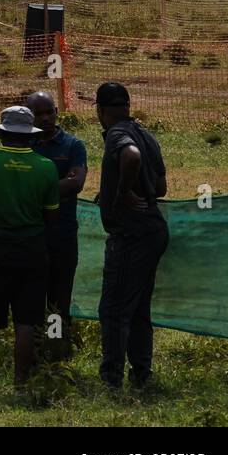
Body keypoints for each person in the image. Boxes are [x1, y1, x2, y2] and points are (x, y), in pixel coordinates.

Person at [0, 106, 58, 387]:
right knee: (26, 323)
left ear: (2, 133)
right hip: (32, 251)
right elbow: (51, 217)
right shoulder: (46, 167)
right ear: (30, 136)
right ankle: (20, 384)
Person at [94, 82, 169, 390]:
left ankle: (112, 379)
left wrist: (123, 193)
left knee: (113, 309)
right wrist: (111, 190)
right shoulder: (147, 134)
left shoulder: (117, 135)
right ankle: (141, 374)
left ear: (100, 111)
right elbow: (161, 188)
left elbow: (131, 157)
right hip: (153, 230)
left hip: (131, 233)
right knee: (138, 308)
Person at [25, 92, 87, 359]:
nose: (46, 118)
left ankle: (59, 352)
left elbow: (76, 183)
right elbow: (67, 183)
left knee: (60, 298)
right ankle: (36, 353)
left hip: (62, 233)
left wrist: (34, 192)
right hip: (32, 236)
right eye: (39, 114)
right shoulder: (24, 145)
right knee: (33, 298)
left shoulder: (73, 145)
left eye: (50, 111)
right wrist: (57, 187)